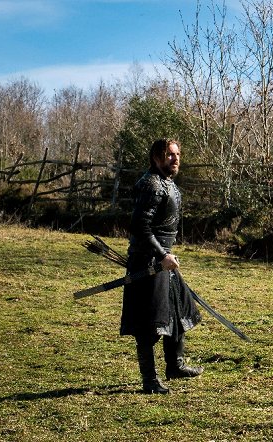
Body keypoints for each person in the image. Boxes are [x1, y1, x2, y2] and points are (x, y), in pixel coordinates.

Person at [121, 138, 203, 394]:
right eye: (169, 155)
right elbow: (140, 228)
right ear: (156, 158)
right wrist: (161, 255)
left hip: (164, 259)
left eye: (177, 154)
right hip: (148, 262)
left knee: (178, 310)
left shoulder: (166, 183)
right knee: (149, 322)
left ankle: (175, 366)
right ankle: (150, 381)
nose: (175, 159)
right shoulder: (152, 185)